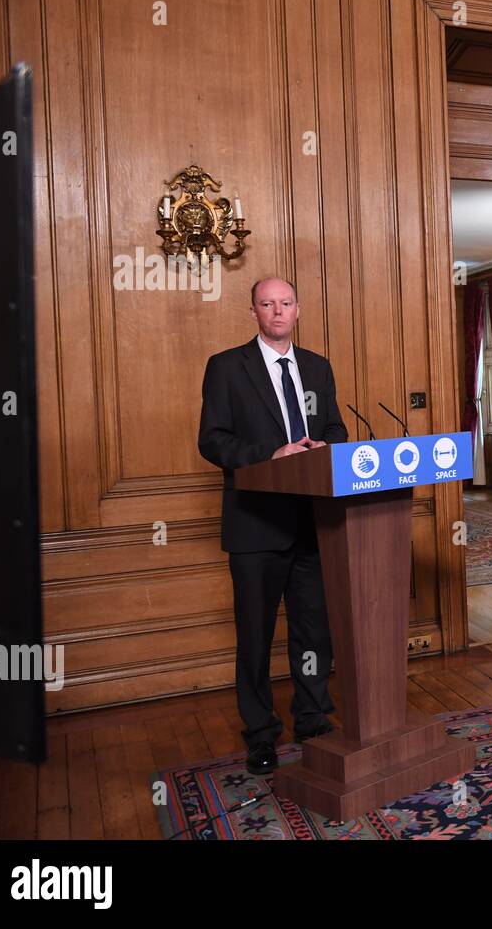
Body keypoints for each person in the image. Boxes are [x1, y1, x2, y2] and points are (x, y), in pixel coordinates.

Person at [197, 276, 347, 774]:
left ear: (298, 310)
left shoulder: (317, 368)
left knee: (312, 630)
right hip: (255, 525)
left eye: (285, 303)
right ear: (254, 312)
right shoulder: (225, 368)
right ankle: (260, 734)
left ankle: (310, 716)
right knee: (255, 636)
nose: (277, 312)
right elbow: (213, 441)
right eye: (267, 304)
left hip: (312, 522)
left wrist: (328, 446)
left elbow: (334, 430)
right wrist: (271, 454)